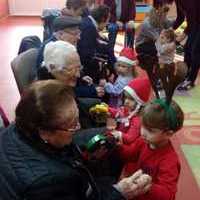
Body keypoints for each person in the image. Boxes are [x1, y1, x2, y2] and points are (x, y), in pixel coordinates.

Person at [0, 79, 152, 200]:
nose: (78, 127)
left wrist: (85, 158)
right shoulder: (48, 183)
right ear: (45, 132)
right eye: (72, 125)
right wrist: (119, 193)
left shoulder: (17, 128)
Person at [38, 40, 104, 128]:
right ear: (52, 67)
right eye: (71, 70)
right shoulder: (48, 97)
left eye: (78, 68)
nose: (78, 74)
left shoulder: (59, 79)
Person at [107, 77, 151, 145]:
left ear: (140, 103)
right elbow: (119, 113)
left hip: (121, 144)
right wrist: (107, 109)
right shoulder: (128, 110)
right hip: (117, 135)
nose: (126, 101)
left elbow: (130, 138)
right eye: (126, 97)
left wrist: (118, 134)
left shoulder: (137, 120)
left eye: (131, 99)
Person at [77, 5, 114, 83]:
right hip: (83, 67)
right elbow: (86, 55)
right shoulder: (89, 27)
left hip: (83, 60)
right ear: (103, 18)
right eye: (108, 20)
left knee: (107, 48)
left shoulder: (87, 21)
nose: (107, 23)